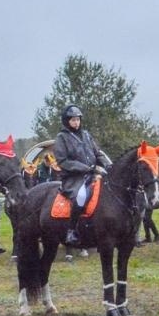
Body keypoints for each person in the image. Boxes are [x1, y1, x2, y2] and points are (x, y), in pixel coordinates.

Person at [52, 105, 109, 245]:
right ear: (66, 121)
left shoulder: (86, 135)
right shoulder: (62, 137)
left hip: (93, 174)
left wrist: (107, 165)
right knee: (82, 195)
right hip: (73, 178)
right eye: (73, 120)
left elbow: (97, 153)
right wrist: (86, 168)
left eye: (77, 119)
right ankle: (71, 231)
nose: (76, 123)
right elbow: (62, 161)